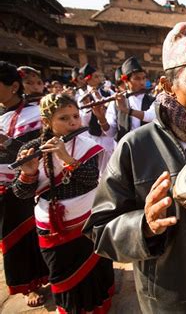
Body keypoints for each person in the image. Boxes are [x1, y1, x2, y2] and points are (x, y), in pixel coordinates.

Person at [82, 17, 186, 313]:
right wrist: (143, 226)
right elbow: (99, 231)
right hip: (174, 302)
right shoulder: (136, 147)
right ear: (167, 86)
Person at [12, 93, 115, 313]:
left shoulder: (88, 144)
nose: (73, 123)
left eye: (75, 116)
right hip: (51, 224)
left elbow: (91, 180)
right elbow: (21, 193)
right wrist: (28, 173)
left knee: (95, 268)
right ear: (47, 122)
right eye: (64, 118)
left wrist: (67, 159)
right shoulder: (30, 149)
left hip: (87, 219)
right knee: (62, 272)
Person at [0, 61, 49, 307]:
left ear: (13, 87)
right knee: (11, 239)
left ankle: (39, 280)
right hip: (1, 188)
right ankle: (26, 283)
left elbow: (38, 152)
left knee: (32, 234)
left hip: (29, 183)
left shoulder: (36, 114)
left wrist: (7, 142)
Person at [102, 56, 156, 142]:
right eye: (137, 79)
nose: (142, 83)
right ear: (126, 81)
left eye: (144, 78)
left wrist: (127, 110)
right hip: (124, 150)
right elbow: (111, 133)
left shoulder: (153, 100)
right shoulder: (116, 102)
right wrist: (101, 118)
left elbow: (151, 116)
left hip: (147, 150)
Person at [78, 63, 116, 173]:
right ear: (87, 79)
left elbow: (113, 109)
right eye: (95, 76)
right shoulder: (82, 96)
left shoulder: (108, 92)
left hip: (110, 135)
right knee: (100, 168)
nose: (99, 79)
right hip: (95, 136)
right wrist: (87, 109)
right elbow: (84, 122)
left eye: (98, 76)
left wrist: (102, 99)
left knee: (113, 165)